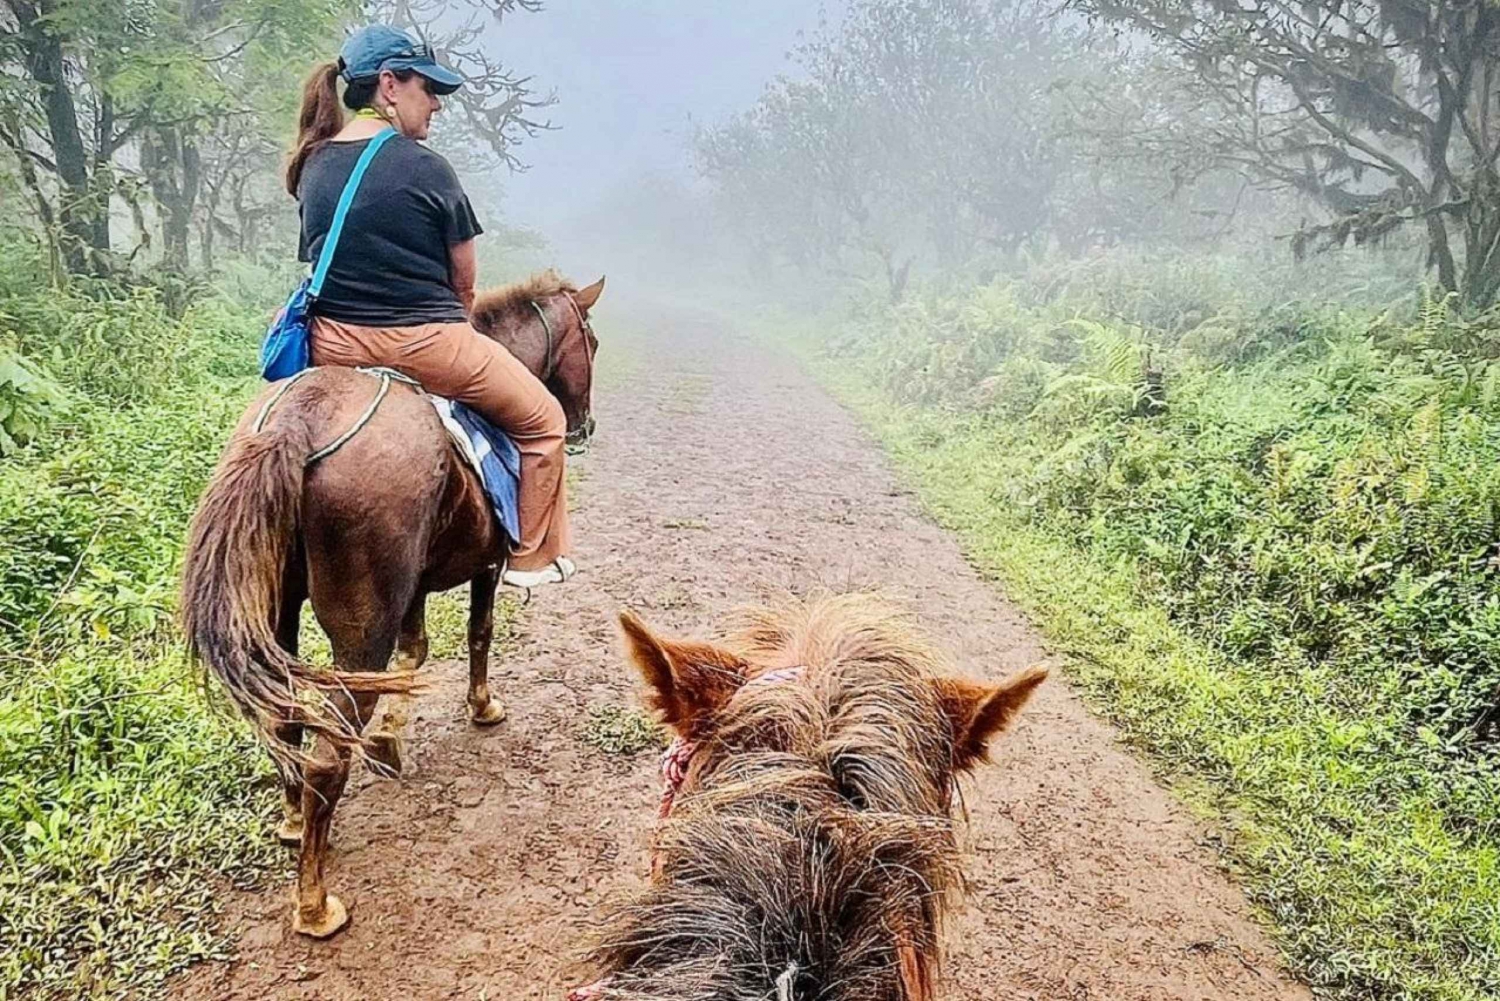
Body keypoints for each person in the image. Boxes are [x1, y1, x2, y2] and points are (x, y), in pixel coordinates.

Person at [286, 24, 574, 588]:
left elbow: (320, 257)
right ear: (389, 85)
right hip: (424, 343)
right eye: (428, 87)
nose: (437, 103)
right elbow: (464, 284)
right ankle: (530, 559)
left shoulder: (313, 163)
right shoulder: (427, 167)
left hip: (329, 343)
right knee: (545, 423)